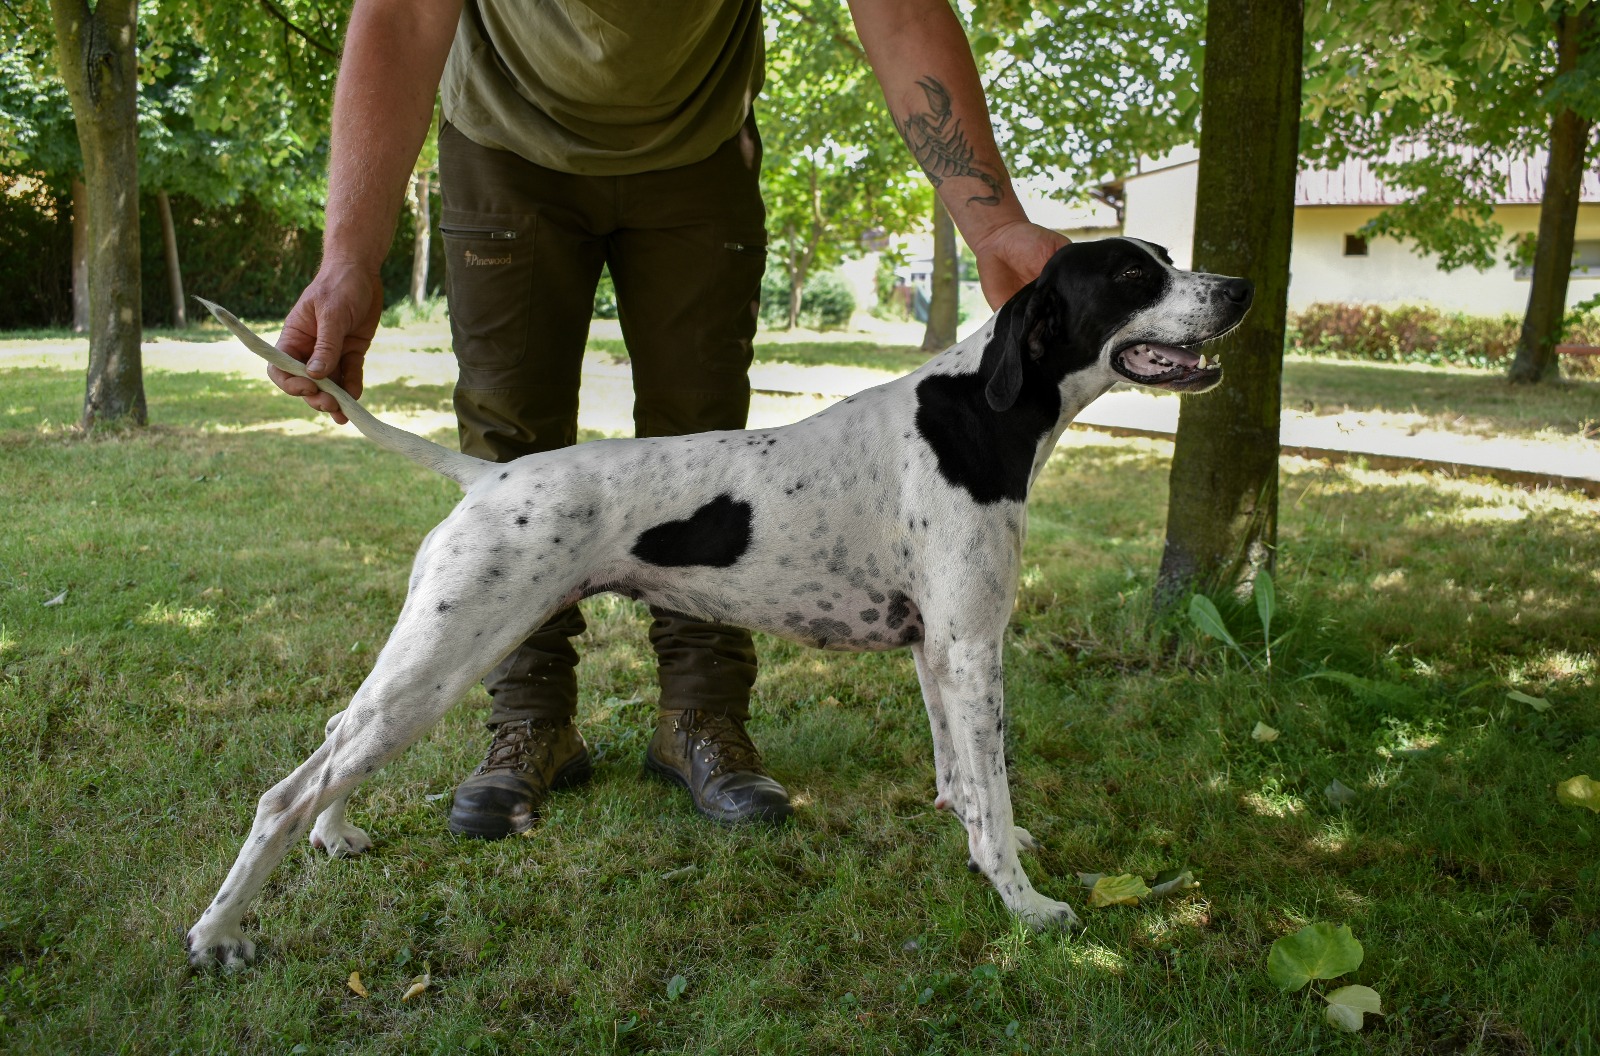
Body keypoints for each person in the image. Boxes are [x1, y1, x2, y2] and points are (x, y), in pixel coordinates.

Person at [270, 0, 1068, 839]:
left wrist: (995, 222)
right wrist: (347, 258)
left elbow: (900, 11)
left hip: (699, 149)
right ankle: (530, 718)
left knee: (716, 441)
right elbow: (399, 17)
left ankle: (701, 716)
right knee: (511, 447)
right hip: (506, 140)